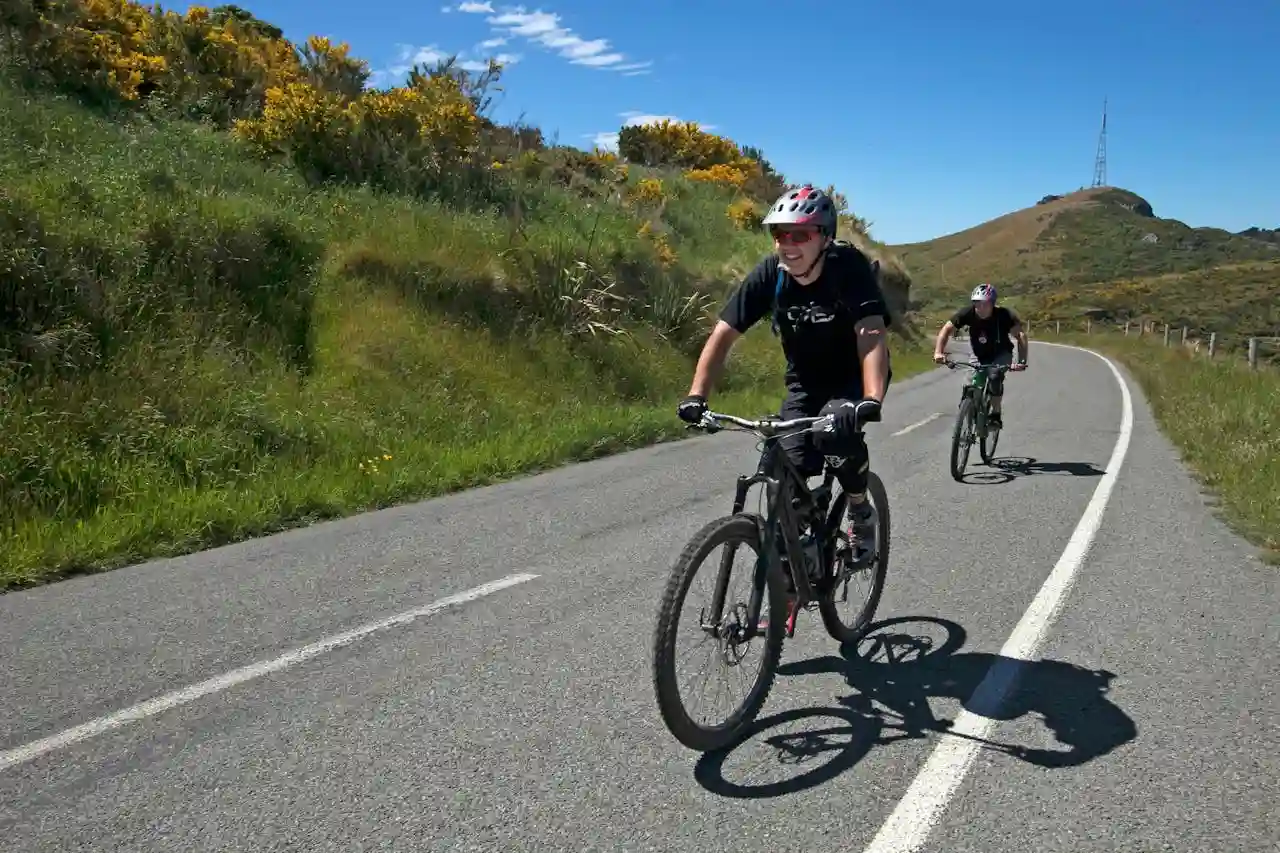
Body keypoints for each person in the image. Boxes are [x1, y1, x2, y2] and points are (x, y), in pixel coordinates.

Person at [676, 184, 892, 567]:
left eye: (800, 234)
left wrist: (870, 399)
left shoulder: (848, 268)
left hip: (852, 377)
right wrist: (697, 396)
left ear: (824, 237)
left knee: (833, 435)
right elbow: (723, 334)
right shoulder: (770, 275)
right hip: (804, 383)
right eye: (779, 233)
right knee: (783, 466)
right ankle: (794, 569)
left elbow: (871, 332)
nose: (787, 244)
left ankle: (860, 512)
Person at [932, 283, 1027, 429]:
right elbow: (946, 330)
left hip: (1001, 354)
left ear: (992, 304)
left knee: (994, 377)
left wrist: (1021, 361)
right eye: (977, 303)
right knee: (970, 385)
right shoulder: (967, 313)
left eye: (985, 304)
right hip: (979, 354)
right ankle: (967, 412)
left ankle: (995, 415)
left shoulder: (1004, 315)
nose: (980, 308)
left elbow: (1020, 336)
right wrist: (938, 352)